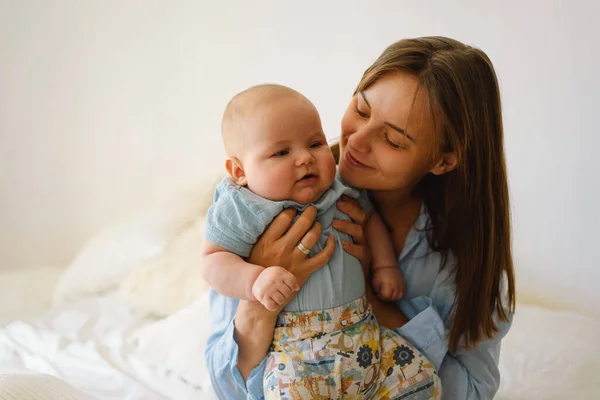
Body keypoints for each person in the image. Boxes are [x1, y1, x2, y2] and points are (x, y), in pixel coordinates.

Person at [205, 36, 516, 399]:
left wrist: (369, 298)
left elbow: (473, 392)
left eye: (394, 140)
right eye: (362, 111)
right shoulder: (268, 204)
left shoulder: (466, 263)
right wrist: (259, 299)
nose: (356, 142)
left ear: (443, 160)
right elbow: (228, 389)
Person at [201, 84, 435, 399]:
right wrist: (255, 279)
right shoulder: (243, 207)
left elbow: (369, 220)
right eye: (282, 152)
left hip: (365, 339)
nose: (305, 159)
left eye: (315, 143)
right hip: (299, 356)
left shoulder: (339, 188)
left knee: (420, 378)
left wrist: (384, 265)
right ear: (240, 171)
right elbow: (213, 261)